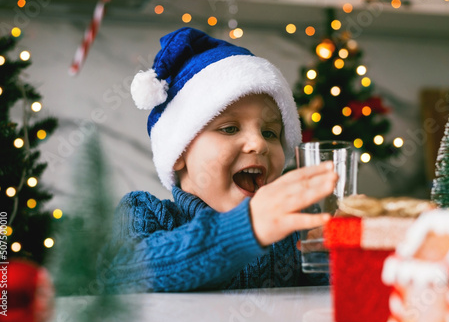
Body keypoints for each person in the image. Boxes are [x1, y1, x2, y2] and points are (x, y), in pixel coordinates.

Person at [100, 27, 338, 293]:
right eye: (229, 128)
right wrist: (247, 228)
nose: (259, 143)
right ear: (179, 153)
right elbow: (125, 272)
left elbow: (327, 300)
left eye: (270, 133)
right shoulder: (144, 212)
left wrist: (340, 250)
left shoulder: (292, 231)